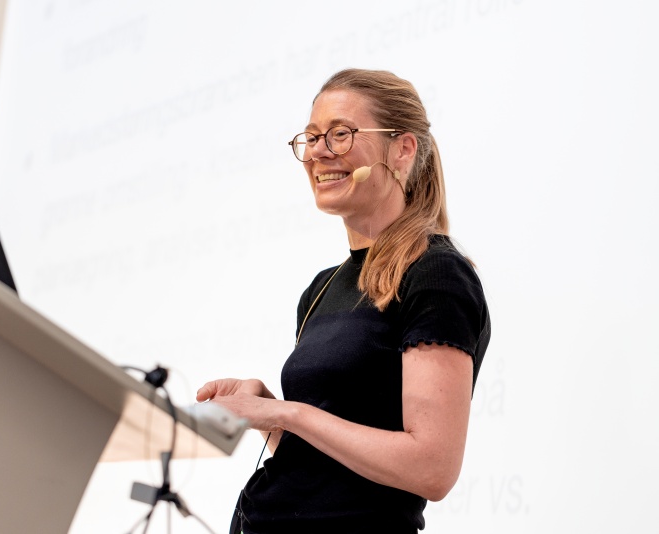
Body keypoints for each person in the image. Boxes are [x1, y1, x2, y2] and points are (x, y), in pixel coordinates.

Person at [196, 68, 491, 533]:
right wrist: (266, 410)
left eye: (339, 134)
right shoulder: (321, 288)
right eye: (311, 138)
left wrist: (286, 412)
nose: (317, 152)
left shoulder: (435, 274)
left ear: (403, 148)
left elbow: (432, 468)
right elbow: (331, 466)